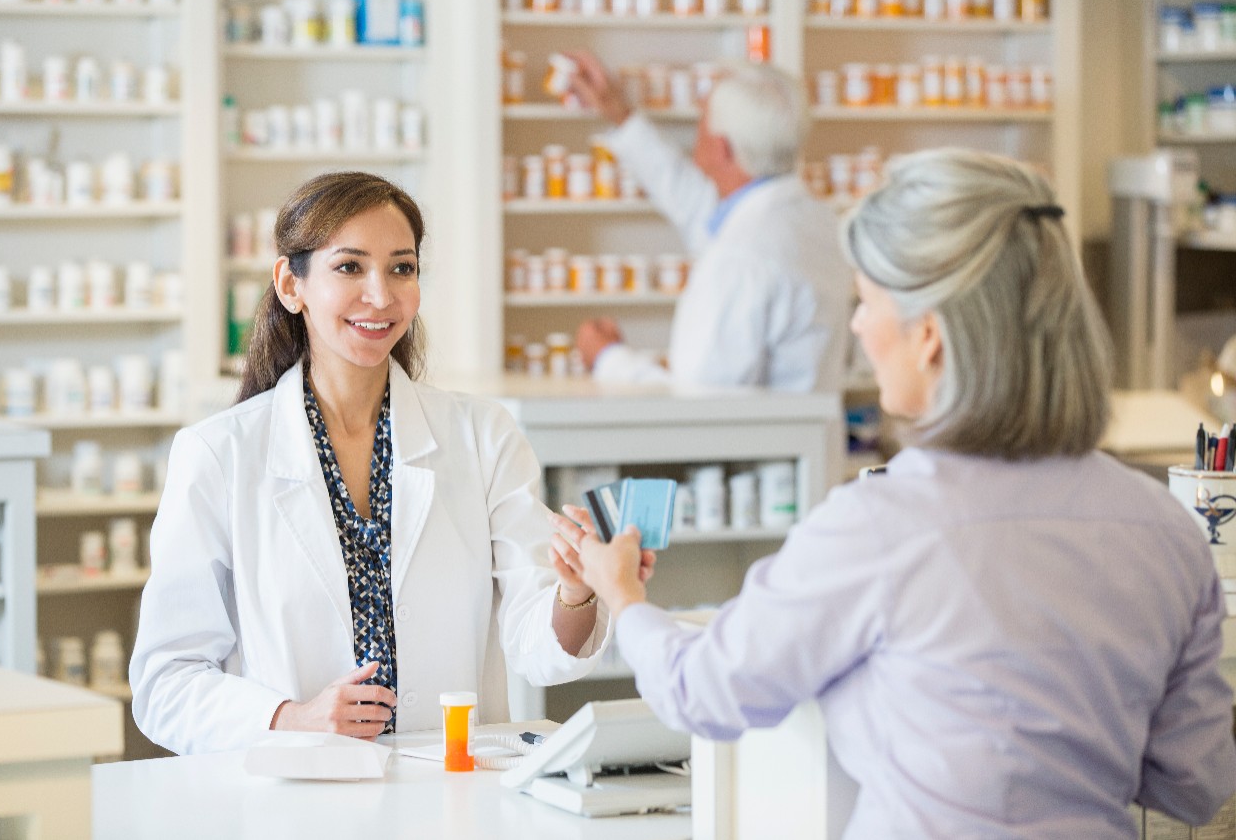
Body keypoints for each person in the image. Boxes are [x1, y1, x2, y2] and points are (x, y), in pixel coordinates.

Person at [560, 149, 1236, 836]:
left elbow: (700, 691)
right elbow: (1196, 783)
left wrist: (623, 595)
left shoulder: (882, 525)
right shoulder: (1165, 527)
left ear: (930, 338)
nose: (857, 326)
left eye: (869, 303)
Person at [131, 171, 613, 756]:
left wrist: (578, 593)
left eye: (402, 268)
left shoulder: (482, 436)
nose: (381, 296)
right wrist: (292, 717)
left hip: (449, 792)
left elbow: (538, 646)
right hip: (294, 798)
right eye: (349, 267)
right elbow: (165, 684)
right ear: (291, 284)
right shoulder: (219, 453)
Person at [564, 52, 852, 391]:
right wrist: (618, 113)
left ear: (721, 148)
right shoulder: (818, 222)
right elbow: (689, 200)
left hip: (759, 443)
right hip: (813, 439)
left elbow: (699, 404)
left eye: (701, 121)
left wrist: (608, 359)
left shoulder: (740, 257)